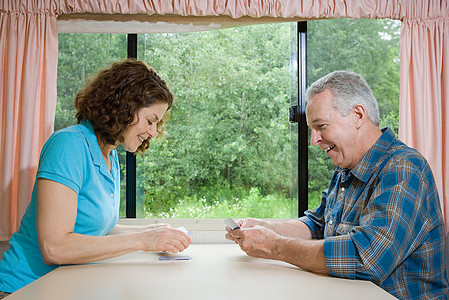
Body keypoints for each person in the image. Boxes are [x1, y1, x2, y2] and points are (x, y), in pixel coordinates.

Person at [226, 71, 448, 299]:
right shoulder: (346, 169)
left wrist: (275, 246)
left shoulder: (404, 168)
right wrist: (265, 228)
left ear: (358, 115)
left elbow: (366, 258)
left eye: (321, 126)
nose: (314, 140)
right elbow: (318, 225)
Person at [0, 59, 192, 297]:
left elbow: (98, 229)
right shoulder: (68, 145)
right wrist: (144, 240)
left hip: (62, 287)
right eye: (150, 120)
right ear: (125, 107)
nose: (153, 132)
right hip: (23, 289)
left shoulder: (110, 157)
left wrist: (154, 231)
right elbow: (55, 247)